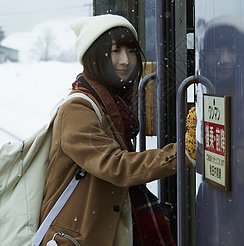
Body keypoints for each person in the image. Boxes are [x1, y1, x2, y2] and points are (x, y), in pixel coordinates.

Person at [39, 14, 194, 246]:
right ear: (93, 57)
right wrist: (181, 155)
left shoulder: (111, 103)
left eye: (131, 51)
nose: (125, 60)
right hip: (75, 240)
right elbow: (115, 166)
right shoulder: (78, 108)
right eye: (115, 51)